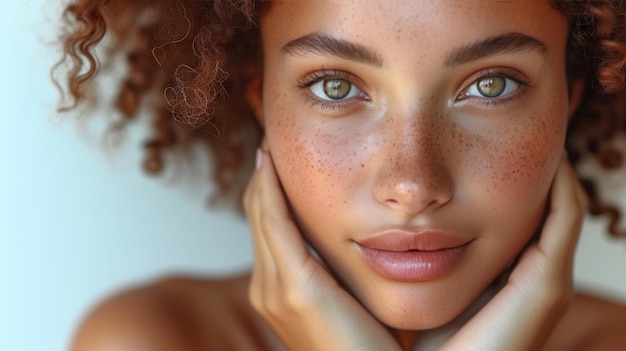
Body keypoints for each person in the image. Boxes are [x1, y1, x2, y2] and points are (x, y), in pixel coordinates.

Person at [57, 0, 626, 350]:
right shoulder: (154, 341)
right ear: (260, 96)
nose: (412, 185)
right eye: (335, 86)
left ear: (570, 97)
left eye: (492, 85)